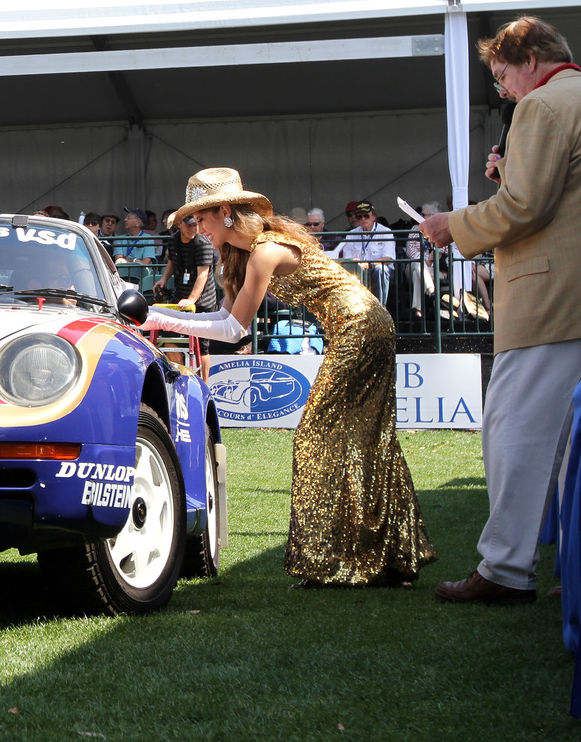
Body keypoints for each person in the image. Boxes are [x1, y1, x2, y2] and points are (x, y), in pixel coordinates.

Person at [138, 168, 435, 587]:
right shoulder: (241, 255)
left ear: (224, 212)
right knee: (362, 437)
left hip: (361, 326)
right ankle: (378, 559)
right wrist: (160, 316)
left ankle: (340, 561)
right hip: (359, 325)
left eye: (200, 219)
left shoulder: (264, 250)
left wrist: (152, 315)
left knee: (318, 436)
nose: (197, 228)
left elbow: (232, 330)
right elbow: (226, 320)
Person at [420, 14, 581, 605]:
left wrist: (451, 225)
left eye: (502, 73)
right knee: (567, 447)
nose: (504, 88)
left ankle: (508, 570)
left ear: (530, 59)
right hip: (570, 296)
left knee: (514, 433)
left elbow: (526, 208)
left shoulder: (543, 107)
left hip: (549, 300)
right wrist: (510, 170)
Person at [151, 214, 218, 378]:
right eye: (189, 225)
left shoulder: (203, 243)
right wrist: (163, 280)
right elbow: (172, 262)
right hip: (180, 296)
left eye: (195, 225)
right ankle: (182, 378)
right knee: (169, 336)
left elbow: (203, 274)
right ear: (179, 224)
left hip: (203, 300)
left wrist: (192, 300)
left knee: (202, 347)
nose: (194, 229)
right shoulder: (174, 240)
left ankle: (203, 385)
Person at [332, 201, 395, 303]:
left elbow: (388, 259)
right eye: (359, 217)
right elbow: (347, 259)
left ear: (374, 216)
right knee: (349, 272)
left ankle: (380, 308)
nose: (363, 219)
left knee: (380, 269)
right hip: (359, 270)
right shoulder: (351, 234)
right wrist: (354, 262)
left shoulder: (386, 232)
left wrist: (369, 264)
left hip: (378, 270)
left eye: (366, 216)